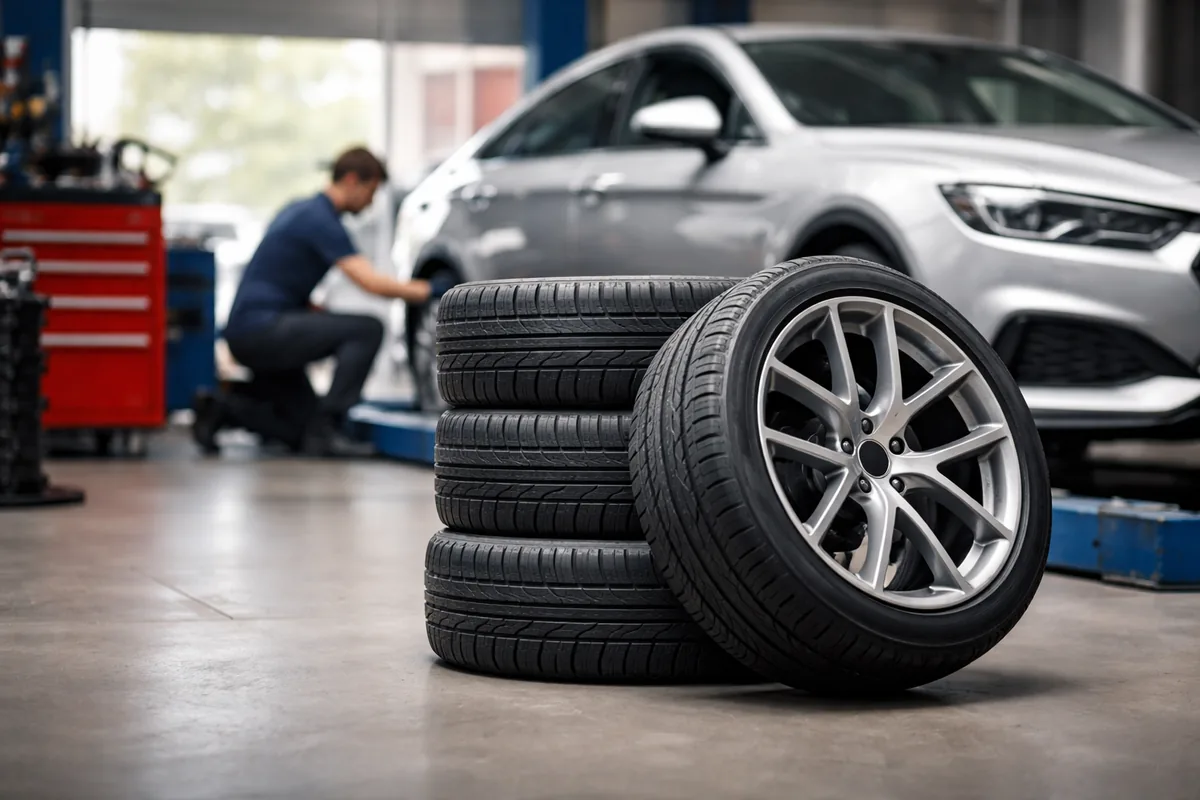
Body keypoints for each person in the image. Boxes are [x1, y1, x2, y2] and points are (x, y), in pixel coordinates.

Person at [192, 147, 446, 457]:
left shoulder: (298, 208)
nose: (370, 203)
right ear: (352, 180)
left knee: (301, 431)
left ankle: (223, 409)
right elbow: (371, 283)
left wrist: (314, 315)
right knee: (366, 329)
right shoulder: (322, 221)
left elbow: (279, 274)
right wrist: (434, 289)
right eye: (371, 191)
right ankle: (331, 425)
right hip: (263, 331)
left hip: (249, 331)